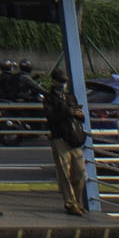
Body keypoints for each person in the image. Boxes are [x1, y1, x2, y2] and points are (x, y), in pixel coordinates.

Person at [43, 71, 87, 216]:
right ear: (54, 81)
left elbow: (79, 114)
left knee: (80, 172)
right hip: (60, 137)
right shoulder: (49, 98)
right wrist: (67, 111)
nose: (63, 84)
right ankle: (70, 203)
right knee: (64, 172)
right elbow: (51, 117)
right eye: (61, 81)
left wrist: (79, 115)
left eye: (64, 81)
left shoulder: (70, 96)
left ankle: (78, 201)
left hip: (74, 137)